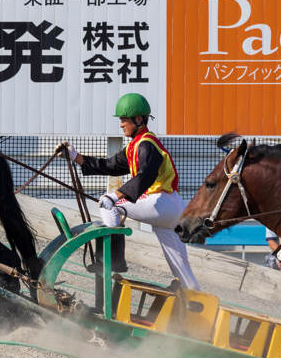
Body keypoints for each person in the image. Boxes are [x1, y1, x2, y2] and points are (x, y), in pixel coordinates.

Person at [56, 93, 200, 290]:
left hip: (161, 203)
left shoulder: (146, 144)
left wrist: (116, 195)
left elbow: (145, 176)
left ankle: (112, 261)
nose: (121, 124)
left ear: (138, 120)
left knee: (111, 205)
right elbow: (108, 165)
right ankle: (199, 311)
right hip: (171, 207)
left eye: (124, 120)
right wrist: (75, 156)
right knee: (181, 268)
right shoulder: (136, 145)